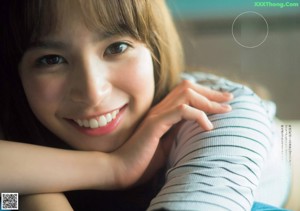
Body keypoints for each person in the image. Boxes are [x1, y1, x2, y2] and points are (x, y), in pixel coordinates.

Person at [0, 0, 291, 210]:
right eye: (51, 59)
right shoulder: (18, 125)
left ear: (154, 49)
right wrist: (111, 169)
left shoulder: (216, 113)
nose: (92, 92)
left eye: (117, 47)